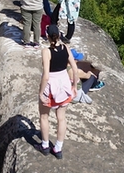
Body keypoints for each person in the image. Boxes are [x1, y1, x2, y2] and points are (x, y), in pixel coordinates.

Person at [37, 24, 78, 159]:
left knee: (44, 117)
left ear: (47, 37)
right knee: (61, 118)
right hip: (64, 86)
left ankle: (45, 146)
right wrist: (75, 87)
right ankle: (58, 148)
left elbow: (46, 75)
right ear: (59, 35)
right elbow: (75, 69)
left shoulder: (46, 52)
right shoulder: (66, 48)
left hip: (51, 87)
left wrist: (41, 92)